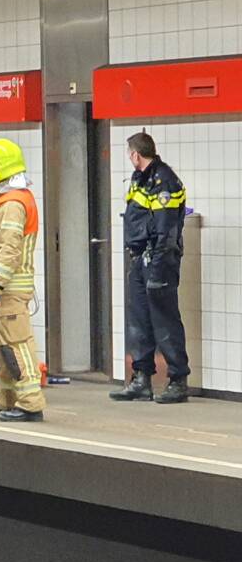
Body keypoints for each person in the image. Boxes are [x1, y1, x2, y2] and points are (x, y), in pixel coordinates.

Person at [110, 132, 190, 404]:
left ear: (135, 154)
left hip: (159, 260)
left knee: (165, 321)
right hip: (139, 259)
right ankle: (141, 379)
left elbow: (167, 230)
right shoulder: (140, 178)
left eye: (129, 154)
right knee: (140, 321)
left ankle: (178, 380)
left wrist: (157, 269)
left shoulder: (164, 180)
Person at [0, 138, 45, 422]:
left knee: (16, 345)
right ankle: (2, 399)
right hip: (2, 288)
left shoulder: (14, 204)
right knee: (0, 347)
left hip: (8, 288)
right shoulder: (6, 201)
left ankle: (30, 404)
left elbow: (9, 250)